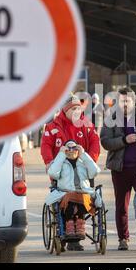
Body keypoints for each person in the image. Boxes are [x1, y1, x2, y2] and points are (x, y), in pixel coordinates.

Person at [41, 94, 100, 250]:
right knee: (65, 198)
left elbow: (95, 142)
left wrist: (90, 160)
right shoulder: (53, 126)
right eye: (73, 109)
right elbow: (46, 146)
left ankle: (76, 234)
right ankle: (65, 229)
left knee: (81, 195)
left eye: (78, 108)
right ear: (65, 110)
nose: (76, 112)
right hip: (61, 172)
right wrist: (49, 162)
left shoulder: (86, 125)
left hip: (81, 171)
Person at [100, 86, 136, 251]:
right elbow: (105, 142)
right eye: (121, 101)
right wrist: (124, 140)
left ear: (133, 101)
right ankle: (123, 239)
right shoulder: (111, 118)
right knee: (121, 206)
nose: (124, 104)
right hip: (120, 168)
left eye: (127, 101)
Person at [46, 140, 101, 250]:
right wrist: (61, 155)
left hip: (83, 193)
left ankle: (80, 224)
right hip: (66, 193)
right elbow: (52, 173)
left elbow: (95, 171)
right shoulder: (61, 162)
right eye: (68, 148)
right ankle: (69, 225)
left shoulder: (83, 161)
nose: (71, 151)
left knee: (81, 196)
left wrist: (84, 155)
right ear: (64, 150)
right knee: (70, 196)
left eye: (74, 148)